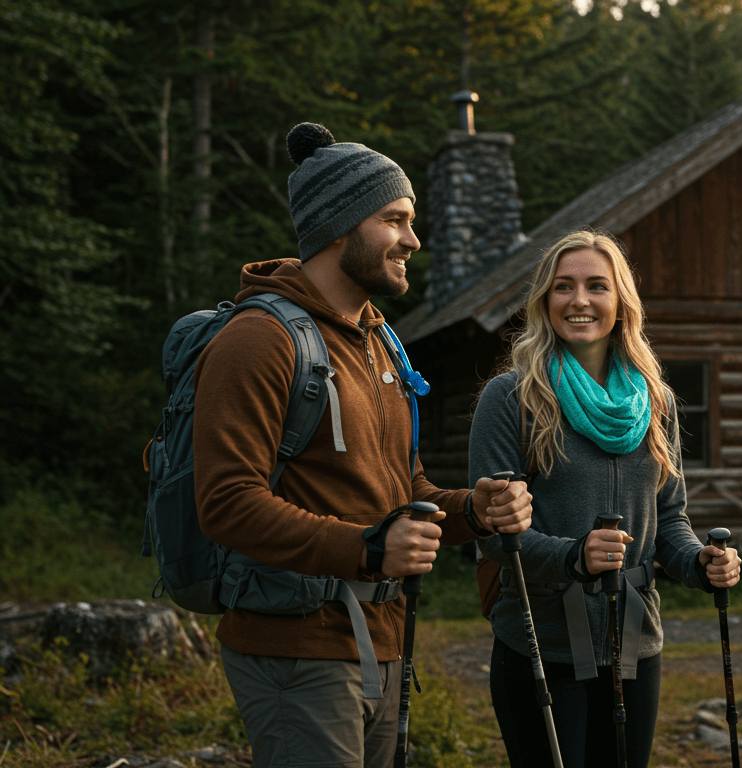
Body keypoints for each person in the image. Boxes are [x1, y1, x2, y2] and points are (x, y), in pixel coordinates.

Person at [193, 122, 532, 768]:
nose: (413, 240)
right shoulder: (259, 340)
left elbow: (404, 492)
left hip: (381, 641)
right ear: (340, 225)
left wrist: (472, 509)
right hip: (296, 648)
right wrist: (368, 548)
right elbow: (227, 504)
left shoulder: (379, 343)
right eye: (394, 220)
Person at [470, 229, 742, 768]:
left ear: (621, 302)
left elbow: (669, 518)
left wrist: (700, 563)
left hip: (635, 641)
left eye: (598, 286)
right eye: (563, 287)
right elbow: (495, 535)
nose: (580, 301)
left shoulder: (654, 400)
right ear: (545, 301)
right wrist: (574, 556)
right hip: (542, 642)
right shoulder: (511, 397)